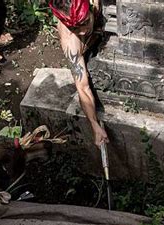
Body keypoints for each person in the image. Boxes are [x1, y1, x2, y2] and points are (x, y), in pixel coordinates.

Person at [49, 0, 108, 146]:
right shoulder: (71, 43)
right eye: (75, 28)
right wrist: (94, 124)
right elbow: (83, 87)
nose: (82, 31)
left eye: (85, 22)